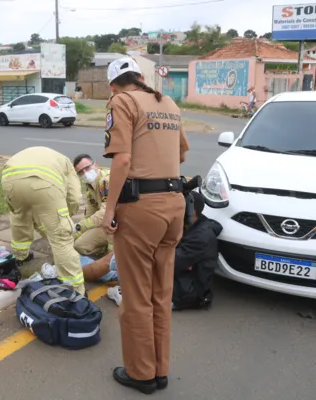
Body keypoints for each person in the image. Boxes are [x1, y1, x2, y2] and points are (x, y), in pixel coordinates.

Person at [101, 57, 189, 394]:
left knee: (136, 296)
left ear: (113, 85)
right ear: (140, 76)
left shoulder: (121, 102)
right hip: (174, 206)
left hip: (140, 209)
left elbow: (122, 159)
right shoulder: (167, 102)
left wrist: (110, 209)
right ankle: (160, 369)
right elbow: (180, 155)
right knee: (160, 293)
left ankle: (141, 374)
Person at [78, 178, 222, 311]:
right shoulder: (191, 226)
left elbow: (167, 263)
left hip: (181, 293)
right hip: (176, 281)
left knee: (123, 258)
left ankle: (88, 278)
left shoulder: (201, 237)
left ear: (192, 211)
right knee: (121, 257)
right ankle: (80, 271)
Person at [1, 146, 86, 295]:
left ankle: (21, 256)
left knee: (20, 217)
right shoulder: (67, 165)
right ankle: (75, 290)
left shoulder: (48, 156)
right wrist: (65, 216)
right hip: (42, 182)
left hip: (9, 178)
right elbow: (74, 197)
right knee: (61, 238)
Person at [72, 154, 113, 258]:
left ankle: (103, 256)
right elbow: (90, 213)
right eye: (81, 172)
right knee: (74, 239)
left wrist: (79, 226)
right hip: (107, 222)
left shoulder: (106, 181)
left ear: (95, 164)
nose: (85, 173)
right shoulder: (90, 186)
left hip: (117, 225)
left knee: (80, 246)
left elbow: (105, 212)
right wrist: (76, 233)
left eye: (87, 168)